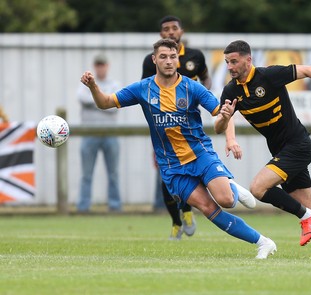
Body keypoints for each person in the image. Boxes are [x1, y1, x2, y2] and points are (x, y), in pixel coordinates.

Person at [80, 38, 275, 259]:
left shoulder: (192, 88)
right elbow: (105, 103)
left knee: (227, 200)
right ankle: (263, 242)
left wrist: (229, 133)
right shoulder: (143, 88)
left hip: (200, 154)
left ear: (177, 60)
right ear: (154, 59)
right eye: (163, 57)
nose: (169, 61)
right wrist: (93, 87)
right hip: (171, 167)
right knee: (208, 208)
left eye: (173, 57)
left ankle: (232, 189)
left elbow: (221, 118)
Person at [214, 40, 311, 259]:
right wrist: (229, 132)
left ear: (248, 60)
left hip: (298, 145)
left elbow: (310, 70)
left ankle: (306, 217)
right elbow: (221, 125)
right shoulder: (231, 90)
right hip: (281, 151)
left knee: (258, 188)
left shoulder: (268, 76)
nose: (230, 66)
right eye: (227, 62)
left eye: (234, 61)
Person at [142, 15, 211, 240]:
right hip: (164, 127)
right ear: (161, 35)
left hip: (190, 127)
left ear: (181, 31)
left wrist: (203, 96)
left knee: (195, 169)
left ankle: (188, 209)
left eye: (174, 28)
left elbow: (206, 80)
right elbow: (144, 91)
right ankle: (175, 221)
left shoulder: (195, 56)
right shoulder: (151, 61)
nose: (171, 32)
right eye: (166, 29)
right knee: (166, 175)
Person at [77, 53, 122, 213]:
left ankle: (115, 207)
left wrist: (100, 100)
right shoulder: (85, 83)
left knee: (113, 173)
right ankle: (83, 207)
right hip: (89, 134)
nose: (100, 67)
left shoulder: (115, 84)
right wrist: (103, 100)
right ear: (95, 67)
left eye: (103, 65)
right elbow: (83, 99)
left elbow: (114, 104)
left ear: (107, 66)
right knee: (86, 174)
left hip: (110, 133)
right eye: (98, 65)